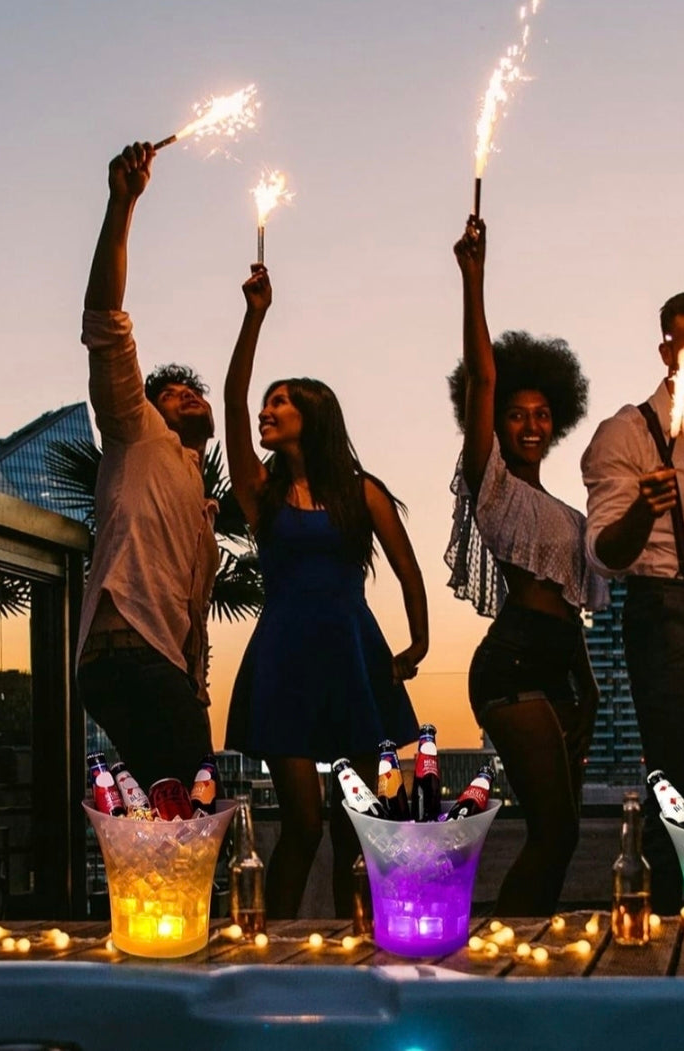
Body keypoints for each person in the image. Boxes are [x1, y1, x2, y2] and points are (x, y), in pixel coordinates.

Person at [223, 264, 428, 920]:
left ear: (312, 414)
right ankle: (273, 952)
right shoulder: (262, 492)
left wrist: (417, 643)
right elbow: (231, 399)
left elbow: (408, 569)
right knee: (304, 824)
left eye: (280, 401)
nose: (265, 410)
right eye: (267, 402)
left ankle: (357, 953)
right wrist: (254, 315)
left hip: (353, 660)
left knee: (356, 830)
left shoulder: (360, 491)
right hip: (284, 661)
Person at [445, 216, 608, 916]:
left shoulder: (568, 515)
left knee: (560, 835)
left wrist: (590, 687)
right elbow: (483, 374)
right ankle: (506, 951)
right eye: (516, 413)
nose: (531, 424)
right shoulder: (496, 488)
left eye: (543, 413)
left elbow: (574, 610)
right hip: (511, 665)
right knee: (557, 827)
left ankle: (530, 943)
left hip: (563, 668)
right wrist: (474, 276)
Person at [580, 291, 684, 912]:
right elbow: (604, 551)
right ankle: (667, 931)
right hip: (666, 616)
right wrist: (643, 513)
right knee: (681, 786)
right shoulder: (627, 433)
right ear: (664, 354)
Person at [77, 141, 218, 794]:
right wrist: (123, 203)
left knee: (180, 817)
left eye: (195, 391)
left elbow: (193, 608)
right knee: (192, 814)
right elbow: (106, 320)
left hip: (159, 664)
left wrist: (197, 685)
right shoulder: (136, 428)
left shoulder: (196, 494)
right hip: (129, 654)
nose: (189, 395)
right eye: (173, 391)